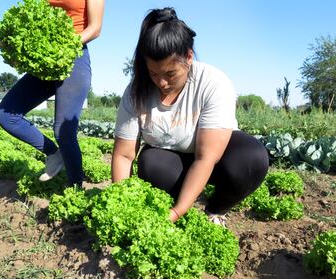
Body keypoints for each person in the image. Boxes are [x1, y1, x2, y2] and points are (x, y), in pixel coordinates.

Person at [112, 7, 269, 225]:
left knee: (251, 158)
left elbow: (205, 158)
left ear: (188, 56)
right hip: (173, 160)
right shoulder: (136, 92)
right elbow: (124, 155)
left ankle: (215, 210)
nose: (162, 83)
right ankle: (173, 198)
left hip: (214, 160)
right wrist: (122, 203)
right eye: (154, 74)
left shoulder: (213, 82)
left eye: (170, 74)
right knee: (151, 163)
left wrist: (176, 213)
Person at [0, 0, 105, 186]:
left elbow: (95, 28)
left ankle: (75, 190)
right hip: (46, 59)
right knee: (5, 114)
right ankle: (54, 154)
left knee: (64, 132)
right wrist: (15, 41)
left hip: (73, 57)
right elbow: (33, 17)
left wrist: (62, 47)